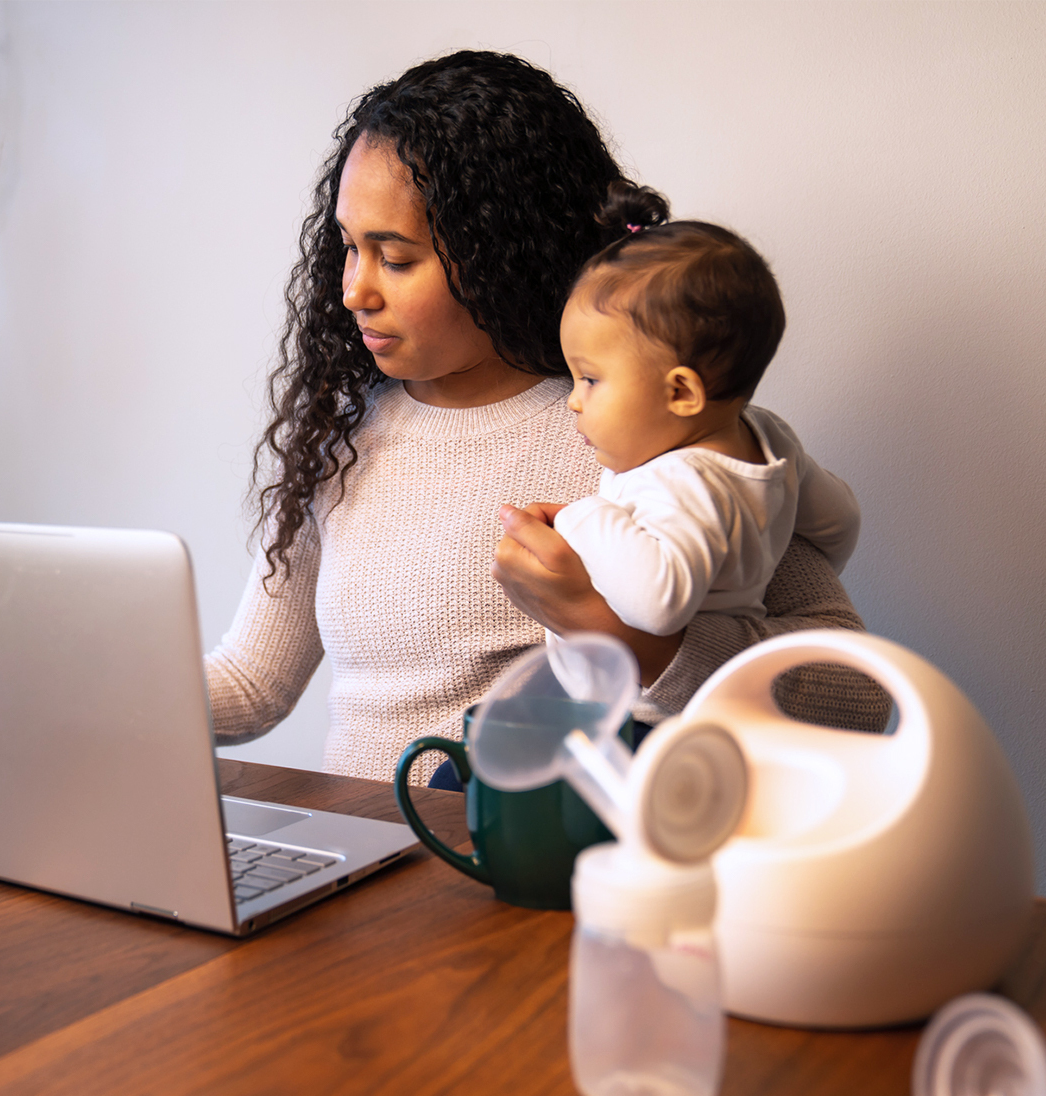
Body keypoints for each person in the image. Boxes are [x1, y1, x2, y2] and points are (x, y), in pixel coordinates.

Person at [206, 50, 885, 788]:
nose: (352, 292)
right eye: (347, 248)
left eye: (395, 259)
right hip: (364, 878)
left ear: (497, 253)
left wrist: (627, 640)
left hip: (525, 883)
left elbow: (856, 695)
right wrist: (83, 688)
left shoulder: (638, 435)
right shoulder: (339, 440)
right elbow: (251, 685)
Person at [552, 182, 861, 638]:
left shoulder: (679, 482)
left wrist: (579, 517)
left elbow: (657, 606)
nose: (574, 400)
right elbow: (840, 523)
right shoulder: (770, 436)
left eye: (591, 379)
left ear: (681, 393)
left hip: (645, 702)